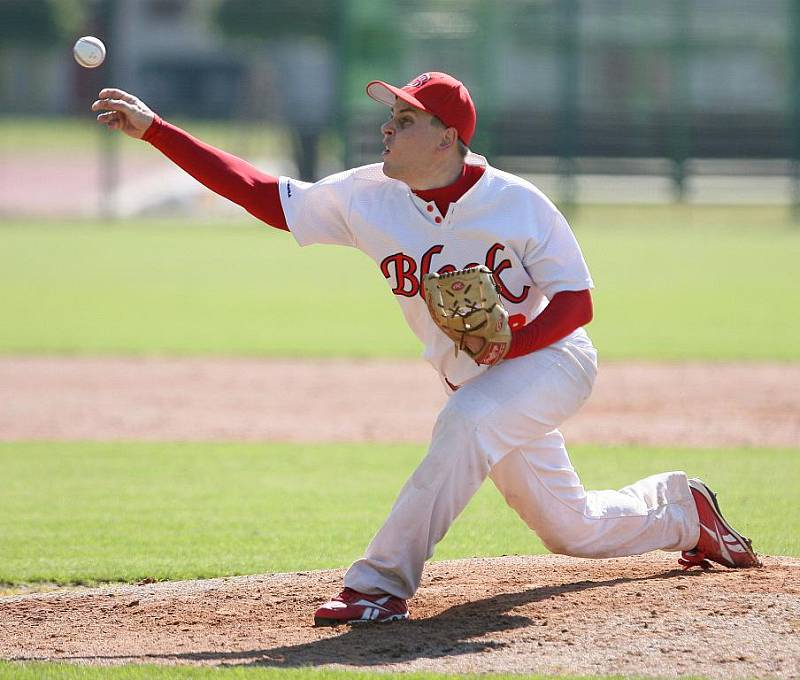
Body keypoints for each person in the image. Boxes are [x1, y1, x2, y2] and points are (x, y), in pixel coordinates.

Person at [91, 71, 760, 626]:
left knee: (466, 423)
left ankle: (378, 584)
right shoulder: (367, 197)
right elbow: (264, 196)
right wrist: (157, 131)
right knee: (570, 531)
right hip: (476, 381)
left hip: (553, 362)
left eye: (405, 119)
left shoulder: (516, 203)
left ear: (447, 137)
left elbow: (577, 301)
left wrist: (516, 340)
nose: (387, 127)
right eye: (390, 116)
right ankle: (684, 512)